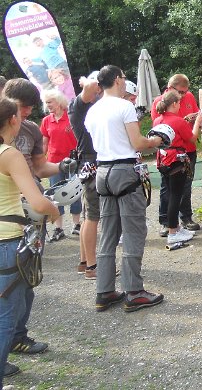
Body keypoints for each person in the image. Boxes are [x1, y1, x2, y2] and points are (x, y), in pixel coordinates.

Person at [84, 65, 165, 313]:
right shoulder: (124, 106)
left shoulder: (93, 111)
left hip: (103, 172)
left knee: (108, 233)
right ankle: (134, 291)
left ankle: (105, 290)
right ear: (118, 80)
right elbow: (137, 142)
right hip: (124, 170)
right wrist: (157, 141)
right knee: (133, 231)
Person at [1, 78, 73, 355]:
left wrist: (64, 166)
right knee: (8, 293)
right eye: (21, 108)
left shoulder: (30, 129)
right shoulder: (8, 146)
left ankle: (18, 336)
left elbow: (40, 168)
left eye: (30, 108)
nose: (26, 113)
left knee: (27, 281)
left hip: (29, 219)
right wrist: (52, 210)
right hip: (14, 217)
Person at [0, 97, 60, 383]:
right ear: (13, 119)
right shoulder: (8, 154)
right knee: (6, 314)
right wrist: (54, 211)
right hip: (7, 240)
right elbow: (37, 201)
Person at [153, 91, 202, 246]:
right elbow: (192, 138)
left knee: (169, 194)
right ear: (174, 104)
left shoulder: (157, 120)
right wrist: (197, 122)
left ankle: (174, 227)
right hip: (176, 160)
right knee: (176, 196)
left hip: (163, 159)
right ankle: (173, 231)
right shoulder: (178, 121)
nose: (180, 105)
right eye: (179, 103)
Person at [68, 73, 103, 279]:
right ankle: (92, 266)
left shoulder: (86, 107)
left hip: (87, 163)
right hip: (91, 163)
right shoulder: (79, 105)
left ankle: (84, 262)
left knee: (87, 216)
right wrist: (87, 82)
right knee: (92, 216)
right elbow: (89, 86)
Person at [40, 89, 81, 242]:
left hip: (72, 161)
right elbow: (44, 143)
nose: (47, 105)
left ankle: (76, 224)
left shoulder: (71, 117)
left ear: (58, 101)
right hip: (53, 163)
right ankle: (59, 228)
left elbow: (80, 137)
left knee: (74, 192)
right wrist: (40, 161)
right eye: (46, 102)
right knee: (55, 194)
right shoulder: (46, 121)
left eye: (50, 101)